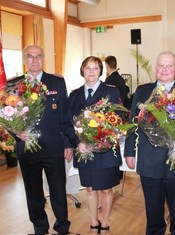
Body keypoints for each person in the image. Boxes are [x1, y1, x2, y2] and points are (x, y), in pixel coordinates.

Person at [124, 51, 175, 235]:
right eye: (161, 65)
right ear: (156, 68)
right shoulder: (142, 91)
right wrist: (129, 151)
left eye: (169, 66)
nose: (164, 70)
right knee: (153, 213)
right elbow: (133, 122)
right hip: (149, 162)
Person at [9, 45, 79, 234]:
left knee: (58, 190)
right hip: (27, 148)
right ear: (25, 59)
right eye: (30, 56)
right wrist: (16, 132)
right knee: (34, 193)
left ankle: (62, 226)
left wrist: (68, 143)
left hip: (53, 146)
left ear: (43, 58)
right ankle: (40, 228)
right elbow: (6, 116)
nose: (34, 60)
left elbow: (65, 115)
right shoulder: (13, 85)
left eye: (38, 56)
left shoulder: (56, 82)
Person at [68, 56, 122, 235]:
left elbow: (118, 122)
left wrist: (100, 141)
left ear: (101, 71)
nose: (91, 72)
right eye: (87, 68)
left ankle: (105, 224)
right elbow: (68, 123)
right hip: (83, 150)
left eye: (95, 68)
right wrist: (78, 143)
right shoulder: (74, 95)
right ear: (82, 70)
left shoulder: (111, 92)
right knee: (90, 189)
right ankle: (93, 223)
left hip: (105, 151)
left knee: (107, 190)